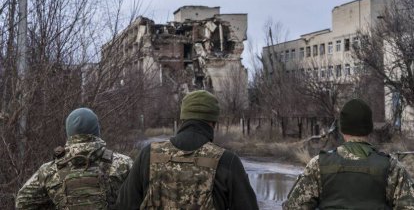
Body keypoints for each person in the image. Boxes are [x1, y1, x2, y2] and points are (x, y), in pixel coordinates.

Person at [116, 90, 259, 210]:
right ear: (213, 122)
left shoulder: (149, 154)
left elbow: (124, 205)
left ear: (182, 119)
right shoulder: (227, 161)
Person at [283, 98, 414, 209]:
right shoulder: (392, 168)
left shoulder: (318, 165)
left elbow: (293, 206)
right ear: (369, 129)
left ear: (342, 129)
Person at [16, 108, 133, 209]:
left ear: (69, 132)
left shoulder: (49, 170)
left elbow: (22, 202)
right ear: (97, 129)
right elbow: (144, 198)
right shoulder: (123, 164)